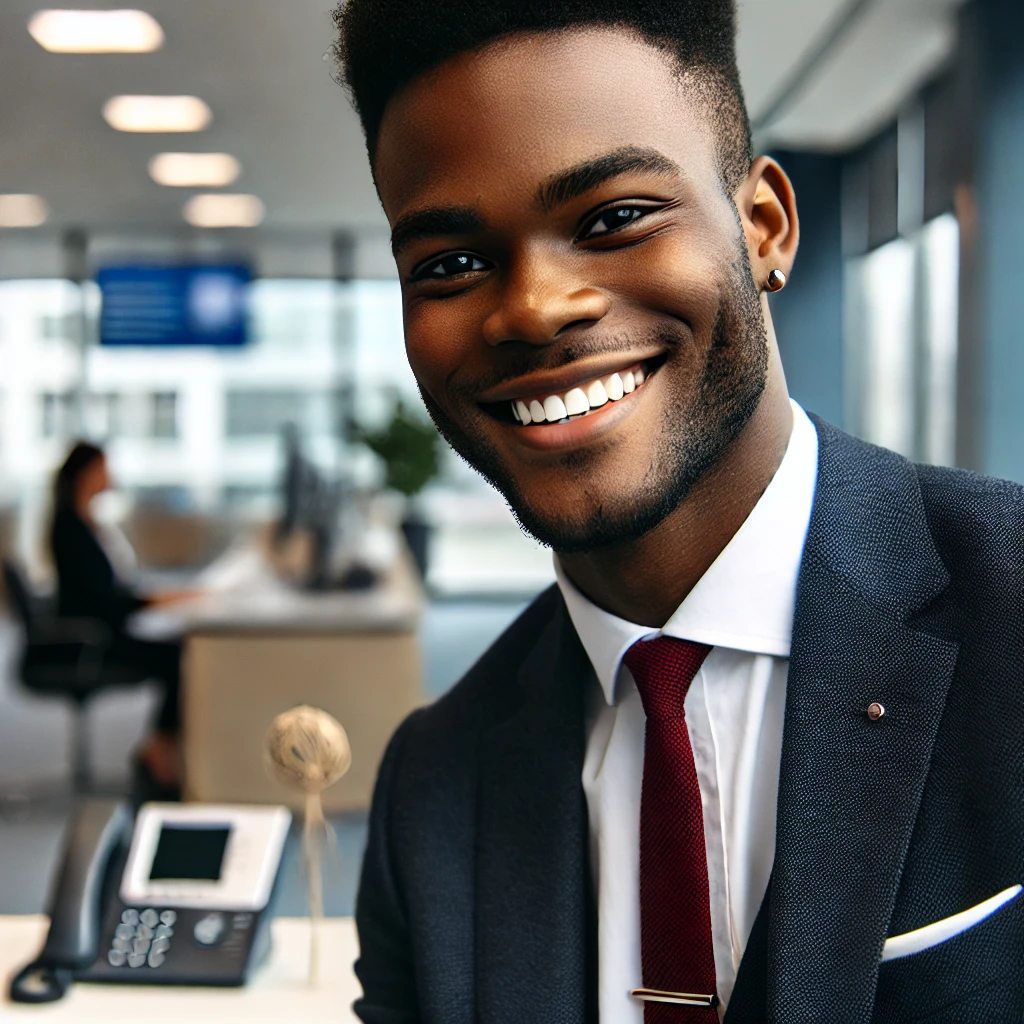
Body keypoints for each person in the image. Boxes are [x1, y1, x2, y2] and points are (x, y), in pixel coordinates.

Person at [332, 1, 1024, 1020]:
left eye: (613, 218)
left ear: (764, 228)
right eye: (448, 265)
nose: (532, 307)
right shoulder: (437, 784)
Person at [50, 442, 194, 797]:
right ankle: (159, 753)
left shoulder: (86, 522)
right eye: (103, 468)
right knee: (174, 656)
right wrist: (152, 599)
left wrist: (154, 597)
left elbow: (110, 589)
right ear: (86, 474)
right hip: (94, 639)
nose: (109, 476)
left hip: (104, 627)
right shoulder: (70, 528)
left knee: (176, 648)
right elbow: (104, 600)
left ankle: (162, 750)